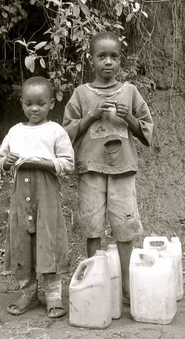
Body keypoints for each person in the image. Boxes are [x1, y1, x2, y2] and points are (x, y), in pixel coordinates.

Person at [63, 31, 153, 303]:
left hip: (123, 170)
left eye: (114, 56)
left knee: (124, 230)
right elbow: (66, 133)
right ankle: (96, 282)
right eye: (101, 56)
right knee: (92, 228)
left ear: (120, 60)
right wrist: (91, 115)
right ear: (91, 60)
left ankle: (126, 286)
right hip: (90, 170)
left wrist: (130, 120)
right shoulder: (81, 94)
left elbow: (147, 131)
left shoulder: (130, 92)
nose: (108, 62)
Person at [0, 76, 75, 318]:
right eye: (29, 103)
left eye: (40, 103)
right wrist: (6, 163)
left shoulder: (55, 131)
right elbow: (0, 161)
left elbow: (68, 163)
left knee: (48, 241)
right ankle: (28, 293)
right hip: (21, 196)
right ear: (22, 104)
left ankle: (53, 296)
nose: (34, 108)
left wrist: (43, 163)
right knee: (22, 242)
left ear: (51, 103)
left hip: (46, 195)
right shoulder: (15, 132)